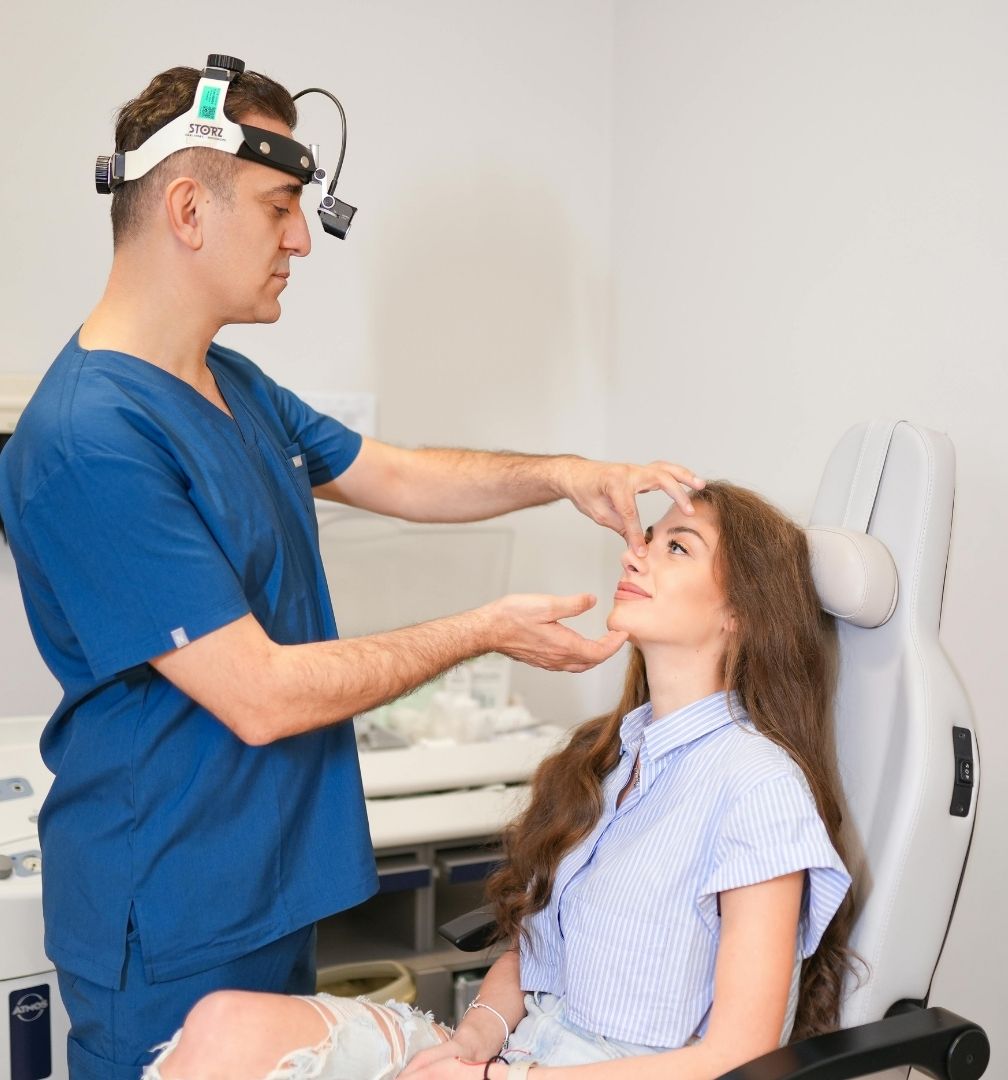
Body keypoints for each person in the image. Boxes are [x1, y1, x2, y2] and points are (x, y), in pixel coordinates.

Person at [0, 63, 704, 1080]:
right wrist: (481, 629)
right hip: (166, 909)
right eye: (283, 206)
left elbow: (403, 477)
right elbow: (261, 698)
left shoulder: (228, 381)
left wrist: (563, 475)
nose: (299, 240)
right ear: (189, 210)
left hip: (261, 885)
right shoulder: (89, 438)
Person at [143, 480, 857, 1080]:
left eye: (678, 546)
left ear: (741, 612)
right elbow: (537, 952)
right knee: (225, 1024)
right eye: (649, 537)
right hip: (516, 1054)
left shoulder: (756, 784)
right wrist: (475, 1040)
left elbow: (741, 1054)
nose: (636, 554)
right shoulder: (612, 755)